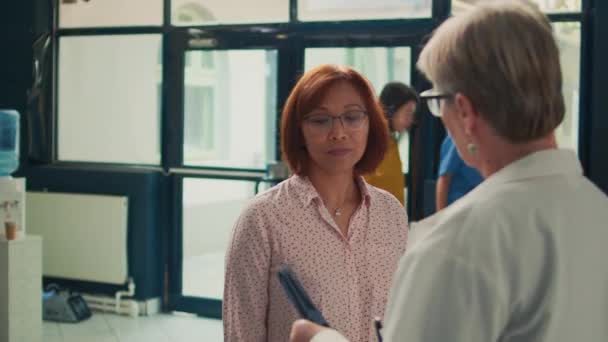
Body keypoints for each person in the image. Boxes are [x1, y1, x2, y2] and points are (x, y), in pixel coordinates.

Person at [289, 2, 608, 341]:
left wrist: (322, 339)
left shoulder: (457, 245)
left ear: (466, 111)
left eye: (438, 100)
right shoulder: (596, 210)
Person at [223, 64, 408, 342]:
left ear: (371, 124)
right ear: (299, 132)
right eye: (320, 120)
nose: (338, 132)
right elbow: (242, 334)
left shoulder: (390, 213)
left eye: (353, 117)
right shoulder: (262, 219)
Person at [364, 82, 419, 206]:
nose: (411, 120)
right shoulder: (368, 142)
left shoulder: (391, 142)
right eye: (407, 113)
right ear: (391, 109)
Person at [435, 134, 483, 211]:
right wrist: (440, 216)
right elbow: (444, 179)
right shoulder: (457, 138)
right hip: (457, 209)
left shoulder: (489, 139)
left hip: (479, 208)